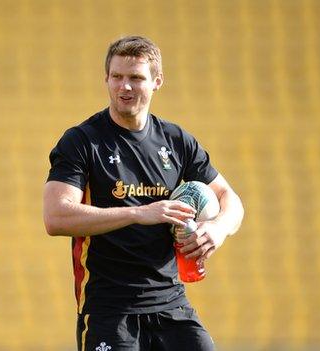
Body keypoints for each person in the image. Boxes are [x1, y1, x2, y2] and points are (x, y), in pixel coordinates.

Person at [43, 36, 244, 351]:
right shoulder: (82, 141)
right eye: (117, 77)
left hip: (171, 303)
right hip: (109, 308)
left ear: (157, 81)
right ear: (106, 79)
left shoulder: (177, 141)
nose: (124, 87)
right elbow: (56, 216)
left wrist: (216, 229)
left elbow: (231, 200)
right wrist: (138, 212)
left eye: (135, 78)